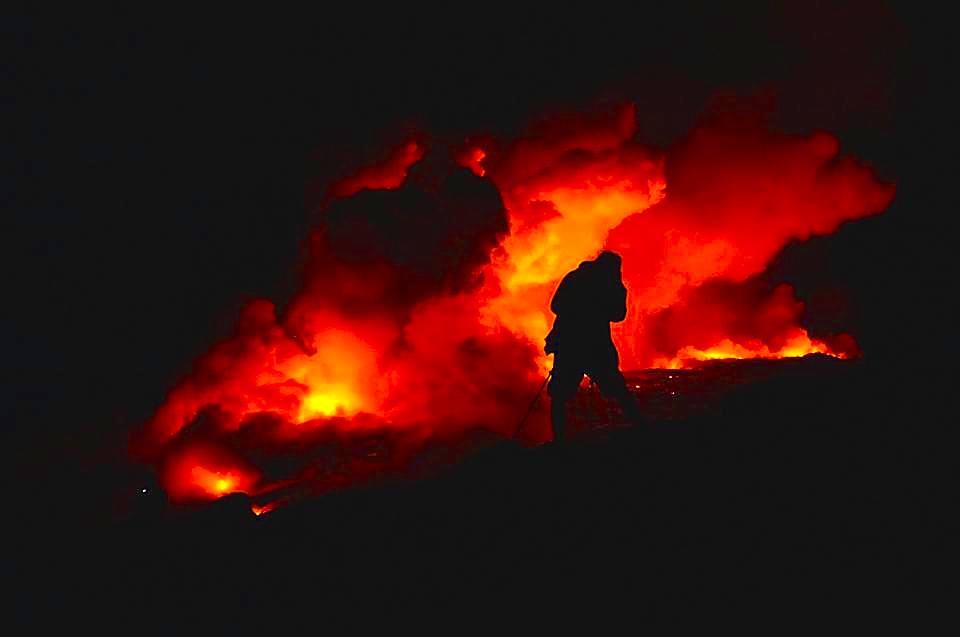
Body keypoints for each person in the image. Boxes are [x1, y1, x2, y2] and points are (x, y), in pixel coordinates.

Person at [544, 250, 643, 442]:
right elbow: (618, 315)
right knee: (617, 388)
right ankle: (639, 427)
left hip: (569, 344)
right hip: (594, 346)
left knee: (560, 396)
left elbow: (555, 306)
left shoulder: (575, 278)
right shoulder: (610, 284)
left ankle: (559, 440)